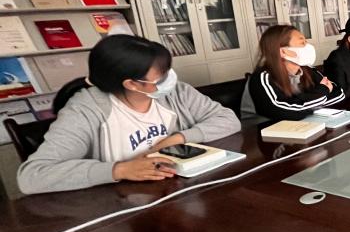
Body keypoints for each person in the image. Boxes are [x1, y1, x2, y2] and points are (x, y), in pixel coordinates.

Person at [17, 35, 240, 194]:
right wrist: (119, 170)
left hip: (177, 192)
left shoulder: (177, 92)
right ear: (132, 84)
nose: (170, 79)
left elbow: (228, 119)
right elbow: (32, 176)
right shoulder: (85, 110)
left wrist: (177, 138)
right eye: (161, 76)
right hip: (119, 208)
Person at [245, 24, 345, 121]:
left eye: (306, 42)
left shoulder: (308, 69)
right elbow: (283, 112)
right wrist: (323, 91)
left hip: (305, 123)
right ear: (283, 52)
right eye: (302, 43)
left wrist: (308, 102)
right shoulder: (262, 78)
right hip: (261, 128)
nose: (308, 47)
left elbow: (339, 93)